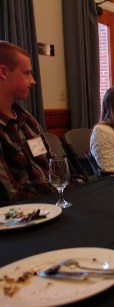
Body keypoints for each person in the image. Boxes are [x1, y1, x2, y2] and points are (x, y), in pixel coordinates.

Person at [0, 41, 55, 203]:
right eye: (27, 73)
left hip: (51, 198)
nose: (33, 81)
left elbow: (52, 166)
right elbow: (11, 195)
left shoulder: (26, 119)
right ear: (3, 72)